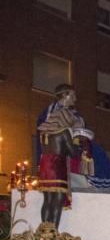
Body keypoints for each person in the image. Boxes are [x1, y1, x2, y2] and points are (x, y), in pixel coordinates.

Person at [36, 84, 83, 227]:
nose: (75, 99)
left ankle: (43, 231)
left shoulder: (46, 131)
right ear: (64, 96)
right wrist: (79, 144)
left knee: (47, 200)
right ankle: (53, 233)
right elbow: (72, 152)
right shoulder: (63, 131)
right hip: (57, 164)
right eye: (72, 96)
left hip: (45, 164)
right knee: (58, 199)